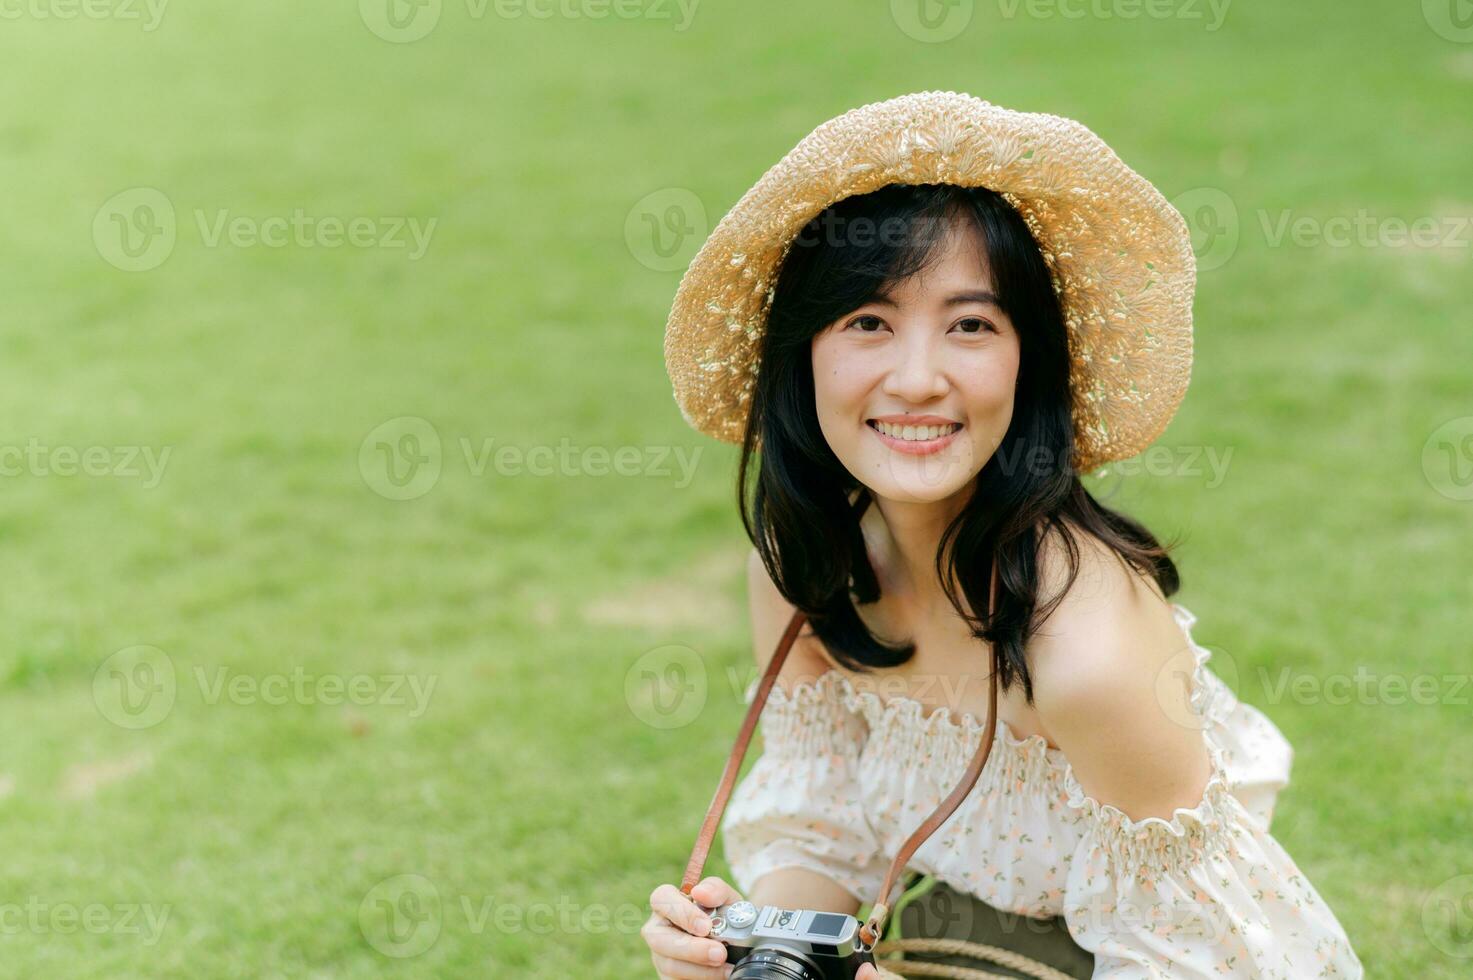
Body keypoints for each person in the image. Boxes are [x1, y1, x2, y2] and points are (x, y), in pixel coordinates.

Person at [643, 92, 1363, 979]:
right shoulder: (804, 571)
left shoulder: (1087, 657)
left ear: (1031, 363)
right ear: (803, 359)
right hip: (956, 933)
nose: (915, 380)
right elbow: (819, 829)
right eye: (867, 321)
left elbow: (1205, 961)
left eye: (970, 325)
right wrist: (760, 949)